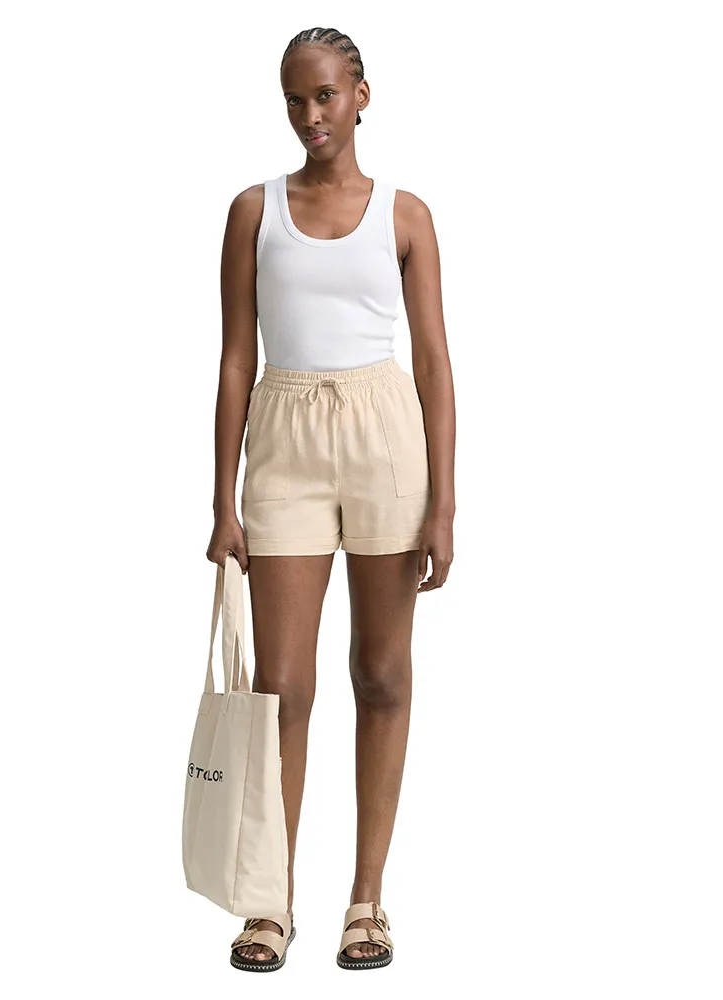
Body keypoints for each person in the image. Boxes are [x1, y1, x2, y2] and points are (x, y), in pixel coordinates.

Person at [205, 26, 456, 972]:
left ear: (361, 95)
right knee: (281, 686)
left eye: (325, 95)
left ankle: (367, 898)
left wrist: (444, 505)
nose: (311, 115)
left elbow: (434, 365)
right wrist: (222, 500)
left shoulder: (405, 215)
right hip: (284, 442)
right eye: (294, 99)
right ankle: (269, 900)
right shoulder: (252, 211)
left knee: (381, 674)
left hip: (385, 438)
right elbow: (236, 358)